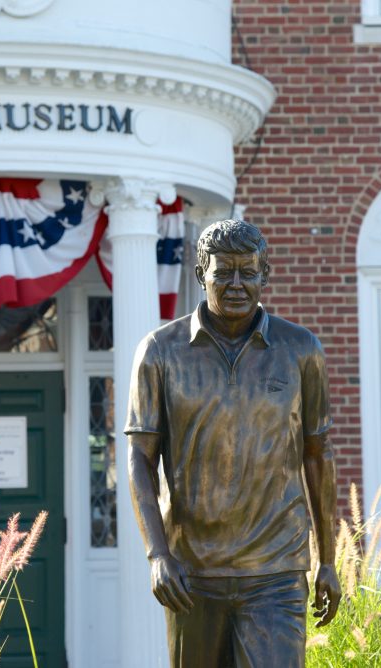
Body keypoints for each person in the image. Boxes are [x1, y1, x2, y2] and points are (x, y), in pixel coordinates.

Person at [125, 219, 341, 667]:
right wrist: (157, 554)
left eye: (248, 271)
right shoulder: (160, 351)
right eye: (224, 272)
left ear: (266, 274)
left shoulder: (301, 350)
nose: (237, 283)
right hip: (193, 573)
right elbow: (139, 459)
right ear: (202, 271)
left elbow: (317, 456)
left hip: (276, 571)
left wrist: (327, 561)